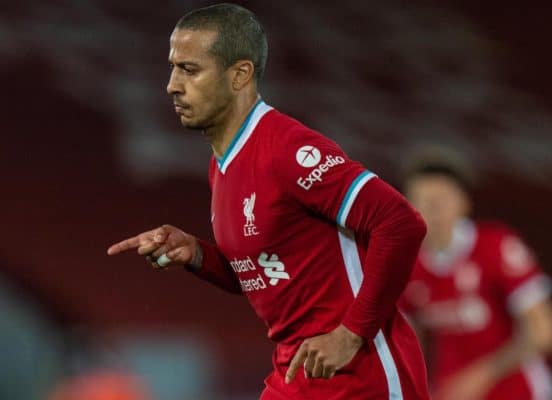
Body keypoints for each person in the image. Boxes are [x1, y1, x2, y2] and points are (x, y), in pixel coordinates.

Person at [108, 3, 430, 399]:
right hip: (297, 370)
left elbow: (400, 223)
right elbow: (264, 273)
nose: (172, 84)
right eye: (174, 68)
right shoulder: (222, 165)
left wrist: (350, 335)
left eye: (190, 69)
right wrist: (195, 254)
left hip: (360, 376)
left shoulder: (287, 150)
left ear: (240, 74)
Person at [399, 147, 552, 400]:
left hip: (517, 391)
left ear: (463, 203)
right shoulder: (402, 263)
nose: (434, 210)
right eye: (424, 200)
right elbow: (405, 341)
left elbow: (542, 331)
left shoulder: (496, 246)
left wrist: (481, 376)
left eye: (443, 199)